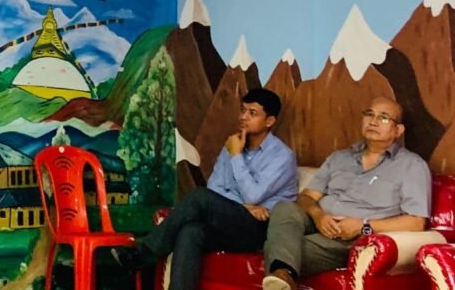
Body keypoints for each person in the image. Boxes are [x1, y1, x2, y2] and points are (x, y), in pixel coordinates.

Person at [114, 88, 298, 290]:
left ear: (269, 121)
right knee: (191, 231)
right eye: (243, 110)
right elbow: (215, 188)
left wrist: (236, 156)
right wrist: (243, 206)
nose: (243, 117)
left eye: (252, 113)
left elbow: (253, 195)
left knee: (199, 197)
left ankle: (143, 254)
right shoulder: (232, 145)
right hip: (232, 222)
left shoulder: (282, 156)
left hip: (263, 229)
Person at [262, 97, 431, 290]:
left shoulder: (412, 166)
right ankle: (283, 274)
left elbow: (416, 222)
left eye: (383, 118)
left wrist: (363, 226)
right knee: (284, 208)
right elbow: (307, 197)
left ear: (398, 130)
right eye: (369, 114)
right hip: (318, 223)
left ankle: (283, 273)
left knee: (278, 248)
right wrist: (318, 216)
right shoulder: (340, 157)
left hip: (353, 238)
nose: (373, 121)